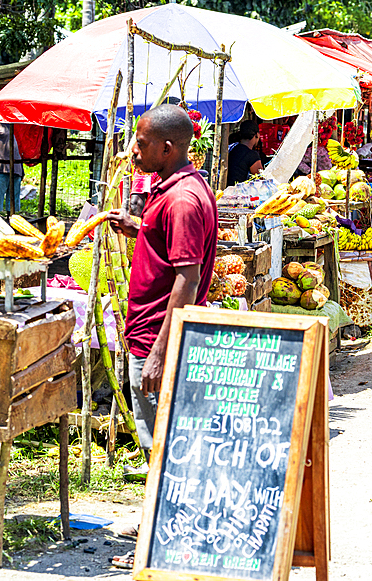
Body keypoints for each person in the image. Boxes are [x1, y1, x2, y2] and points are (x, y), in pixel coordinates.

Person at [106, 105, 217, 537]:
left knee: (162, 440)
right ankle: (168, 519)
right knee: (164, 437)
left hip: (158, 337)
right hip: (151, 332)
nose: (134, 150)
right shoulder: (174, 188)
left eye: (142, 143)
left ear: (167, 148)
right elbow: (174, 254)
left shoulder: (184, 200)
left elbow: (187, 280)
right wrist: (141, 229)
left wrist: (158, 352)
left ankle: (168, 530)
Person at [0, 122, 24, 214]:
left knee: (13, 199)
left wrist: (22, 168)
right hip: (0, 168)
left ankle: (11, 221)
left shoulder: (19, 124)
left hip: (16, 167)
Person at [226, 120, 262, 186]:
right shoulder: (252, 155)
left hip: (226, 189)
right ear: (257, 135)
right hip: (239, 192)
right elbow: (260, 178)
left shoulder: (232, 148)